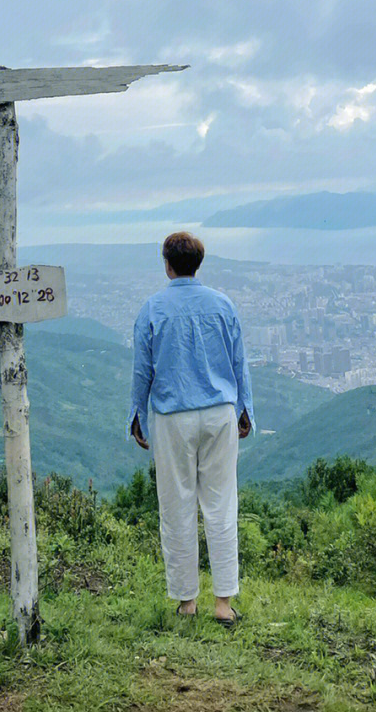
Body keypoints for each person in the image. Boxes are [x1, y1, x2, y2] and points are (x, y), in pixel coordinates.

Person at [129, 230, 254, 626]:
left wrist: (135, 412)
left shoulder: (152, 309)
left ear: (167, 264)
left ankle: (186, 602)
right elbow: (239, 363)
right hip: (219, 413)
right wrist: (245, 408)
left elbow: (141, 370)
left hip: (173, 418)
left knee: (177, 505)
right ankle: (223, 604)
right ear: (198, 264)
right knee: (221, 506)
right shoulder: (223, 305)